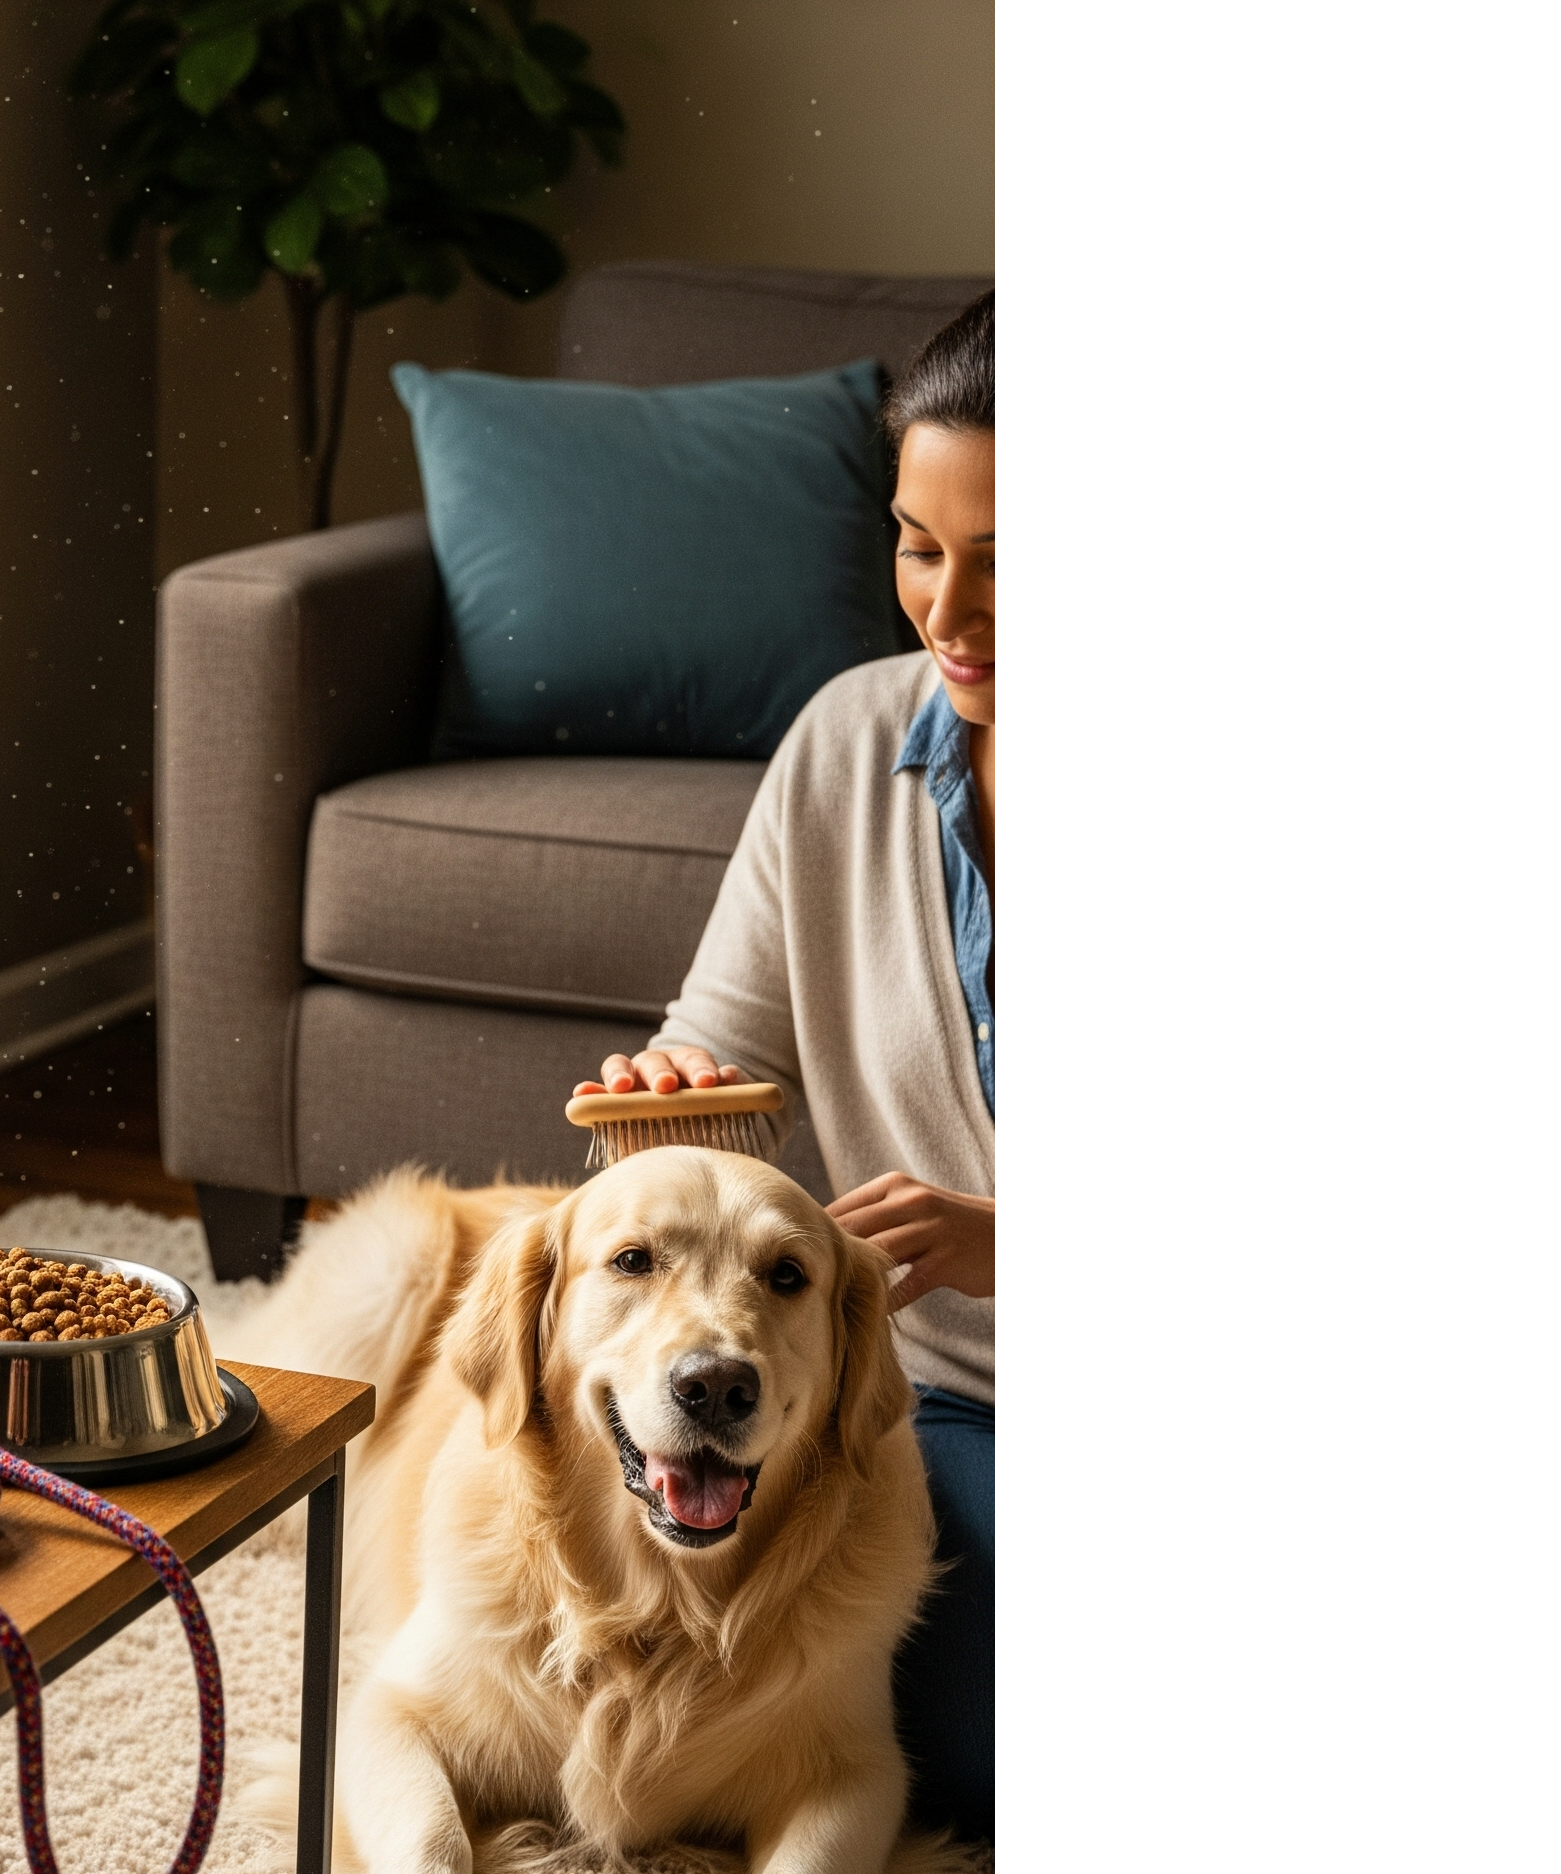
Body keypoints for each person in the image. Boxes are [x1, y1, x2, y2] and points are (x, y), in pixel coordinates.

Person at [571, 289, 995, 1840]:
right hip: (945, 1400)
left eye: (1004, 560)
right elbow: (724, 1054)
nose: (949, 614)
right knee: (951, 1721)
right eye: (920, 545)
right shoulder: (842, 745)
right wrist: (670, 1094)